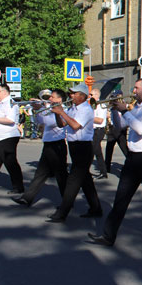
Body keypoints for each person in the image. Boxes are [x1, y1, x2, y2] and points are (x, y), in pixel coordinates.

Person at [88, 78, 142, 246]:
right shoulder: (139, 107)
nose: (133, 91)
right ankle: (108, 235)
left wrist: (126, 111)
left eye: (136, 88)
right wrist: (116, 110)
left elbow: (141, 128)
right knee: (121, 197)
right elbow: (122, 125)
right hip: (133, 157)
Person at [46, 83, 102, 222]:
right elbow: (62, 124)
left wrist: (61, 112)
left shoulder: (86, 109)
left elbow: (76, 125)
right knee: (85, 180)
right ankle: (96, 208)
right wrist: (57, 114)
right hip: (74, 146)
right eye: (71, 93)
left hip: (83, 146)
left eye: (74, 93)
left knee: (73, 181)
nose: (71, 96)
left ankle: (62, 212)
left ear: (82, 96)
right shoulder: (72, 108)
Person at [11, 90, 68, 207]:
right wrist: (37, 111)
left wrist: (41, 109)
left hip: (57, 145)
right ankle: (27, 198)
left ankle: (67, 201)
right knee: (40, 173)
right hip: (48, 144)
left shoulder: (64, 110)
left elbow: (52, 123)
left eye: (52, 97)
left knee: (61, 175)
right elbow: (40, 122)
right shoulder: (48, 109)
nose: (49, 99)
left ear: (59, 100)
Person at [105, 97, 129, 172]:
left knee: (124, 148)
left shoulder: (123, 106)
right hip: (112, 129)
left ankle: (131, 164)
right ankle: (107, 167)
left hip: (120, 130)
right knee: (108, 149)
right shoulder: (111, 109)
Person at [90, 89, 108, 178]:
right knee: (97, 151)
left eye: (91, 94)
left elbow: (100, 120)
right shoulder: (92, 105)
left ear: (97, 95)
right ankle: (103, 172)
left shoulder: (100, 105)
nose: (89, 96)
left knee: (92, 150)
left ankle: (84, 170)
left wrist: (88, 116)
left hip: (99, 130)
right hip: (93, 130)